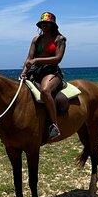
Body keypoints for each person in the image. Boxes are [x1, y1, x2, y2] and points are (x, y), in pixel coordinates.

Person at [20, 11, 67, 140]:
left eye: (47, 23)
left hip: (51, 72)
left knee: (45, 91)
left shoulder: (60, 39)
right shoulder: (36, 39)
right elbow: (29, 58)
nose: (44, 26)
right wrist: (23, 72)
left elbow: (58, 59)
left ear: (53, 25)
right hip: (35, 71)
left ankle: (54, 125)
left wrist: (37, 60)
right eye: (42, 24)